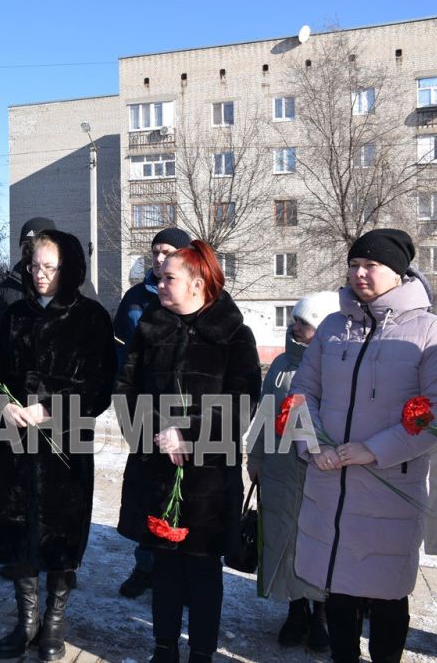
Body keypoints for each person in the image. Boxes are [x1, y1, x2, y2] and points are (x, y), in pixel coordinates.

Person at [289, 229, 437, 663]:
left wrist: (374, 450)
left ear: (396, 273)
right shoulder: (334, 327)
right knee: (337, 587)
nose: (359, 274)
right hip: (329, 479)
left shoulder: (427, 332)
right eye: (354, 265)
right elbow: (301, 392)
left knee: (387, 592)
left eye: (370, 266)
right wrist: (314, 444)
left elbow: (434, 412)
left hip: (387, 484)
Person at [116, 240, 261, 663]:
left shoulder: (233, 333)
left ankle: (201, 653)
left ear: (198, 283)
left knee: (202, 570)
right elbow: (125, 392)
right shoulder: (150, 329)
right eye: (158, 277)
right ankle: (163, 650)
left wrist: (191, 437)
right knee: (163, 568)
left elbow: (243, 402)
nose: (159, 282)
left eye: (168, 278)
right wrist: (157, 434)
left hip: (210, 479)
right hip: (156, 470)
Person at [0, 229, 116, 662]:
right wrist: (1, 406)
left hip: (64, 444)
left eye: (49, 267)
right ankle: (25, 621)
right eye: (34, 266)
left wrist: (48, 410)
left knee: (60, 532)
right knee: (17, 527)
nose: (40, 275)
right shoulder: (13, 315)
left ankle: (54, 622)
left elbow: (97, 388)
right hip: (13, 443)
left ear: (68, 268)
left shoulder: (90, 317)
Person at [248, 291, 336, 651]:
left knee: (320, 542)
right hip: (281, 470)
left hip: (322, 472)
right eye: (296, 320)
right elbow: (265, 415)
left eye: (304, 322)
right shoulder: (283, 365)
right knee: (284, 541)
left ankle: (323, 615)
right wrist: (254, 456)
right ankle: (296, 610)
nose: (295, 327)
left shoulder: (338, 366)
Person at [113, 226, 192, 599]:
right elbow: (117, 354)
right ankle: (145, 567)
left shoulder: (199, 295)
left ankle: (183, 575)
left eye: (168, 252)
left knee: (182, 497)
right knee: (147, 495)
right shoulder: (134, 299)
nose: (160, 259)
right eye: (156, 251)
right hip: (144, 412)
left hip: (187, 416)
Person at [0, 216, 56, 345]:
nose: (33, 253)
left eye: (41, 246)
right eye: (27, 247)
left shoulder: (76, 285)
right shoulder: (6, 289)